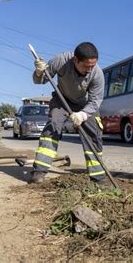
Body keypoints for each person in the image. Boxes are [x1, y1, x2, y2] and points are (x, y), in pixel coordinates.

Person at [30, 42, 107, 185]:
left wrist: (82, 115)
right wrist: (39, 72)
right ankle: (39, 171)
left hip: (85, 105)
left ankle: (98, 178)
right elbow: (40, 81)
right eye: (86, 66)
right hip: (62, 99)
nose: (90, 69)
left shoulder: (97, 74)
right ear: (75, 60)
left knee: (93, 133)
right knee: (53, 127)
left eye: (93, 65)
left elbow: (95, 100)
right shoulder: (61, 61)